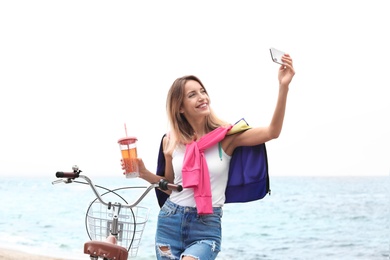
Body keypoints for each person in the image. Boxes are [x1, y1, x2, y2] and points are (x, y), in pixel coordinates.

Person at [134, 54, 295, 259]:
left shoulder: (226, 137)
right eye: (192, 95)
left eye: (202, 91)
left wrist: (283, 87)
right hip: (169, 222)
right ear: (180, 107)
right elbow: (171, 186)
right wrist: (143, 173)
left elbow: (272, 131)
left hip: (206, 227)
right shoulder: (170, 140)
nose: (202, 97)